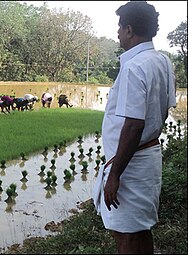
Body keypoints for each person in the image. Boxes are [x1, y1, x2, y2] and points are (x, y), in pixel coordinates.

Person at [92, 2, 176, 254]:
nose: (117, 32)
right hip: (145, 158)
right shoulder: (162, 61)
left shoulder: (134, 66)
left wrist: (115, 174)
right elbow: (163, 110)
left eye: (120, 27)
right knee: (139, 229)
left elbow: (133, 125)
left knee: (126, 234)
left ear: (129, 29)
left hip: (131, 163)